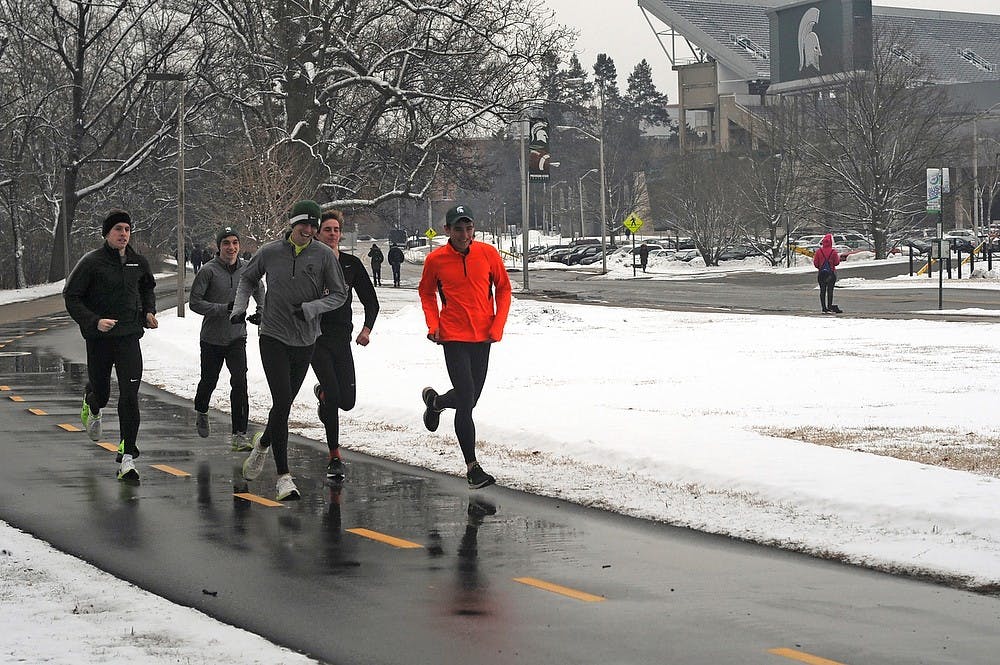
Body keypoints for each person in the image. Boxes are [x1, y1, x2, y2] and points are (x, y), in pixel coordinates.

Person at [229, 200, 348, 501]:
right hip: (273, 335)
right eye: (304, 224)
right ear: (292, 224)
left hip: (306, 339)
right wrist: (240, 308)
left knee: (283, 406)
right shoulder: (270, 252)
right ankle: (283, 477)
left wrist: (310, 308)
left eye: (313, 225)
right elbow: (247, 278)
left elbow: (339, 295)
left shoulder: (323, 255)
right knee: (282, 400)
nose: (309, 230)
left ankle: (263, 444)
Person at [418, 204, 511, 489]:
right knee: (467, 398)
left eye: (468, 228)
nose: (464, 234)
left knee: (470, 399)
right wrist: (433, 325)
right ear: (447, 230)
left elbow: (504, 289)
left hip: (483, 336)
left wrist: (497, 325)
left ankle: (436, 402)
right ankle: (472, 468)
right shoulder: (436, 259)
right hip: (453, 336)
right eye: (458, 229)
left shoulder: (488, 254)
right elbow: (426, 292)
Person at [63, 209, 158, 484]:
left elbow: (147, 289)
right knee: (103, 393)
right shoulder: (91, 262)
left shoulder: (138, 262)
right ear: (107, 233)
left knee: (130, 396)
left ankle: (128, 457)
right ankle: (92, 403)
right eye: (118, 229)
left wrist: (149, 312)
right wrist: (95, 322)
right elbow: (71, 296)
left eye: (127, 229)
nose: (123, 234)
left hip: (129, 337)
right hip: (100, 339)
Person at [311, 210, 380, 480]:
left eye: (336, 230)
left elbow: (371, 301)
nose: (333, 234)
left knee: (347, 402)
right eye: (327, 229)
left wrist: (366, 330)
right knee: (334, 392)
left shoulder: (351, 264)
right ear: (317, 233)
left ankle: (323, 396)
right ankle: (334, 456)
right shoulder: (309, 263)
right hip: (315, 339)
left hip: (341, 339)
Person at [189, 226, 265, 450]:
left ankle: (239, 435)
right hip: (212, 338)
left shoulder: (247, 269)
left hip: (236, 337)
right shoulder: (208, 271)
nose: (231, 247)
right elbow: (195, 303)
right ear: (218, 246)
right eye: (226, 243)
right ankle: (202, 409)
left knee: (240, 382)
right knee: (208, 381)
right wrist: (224, 309)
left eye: (234, 243)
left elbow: (259, 290)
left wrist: (261, 311)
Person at [813, 233, 842, 314]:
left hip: (821, 274)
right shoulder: (833, 252)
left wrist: (821, 267)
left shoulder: (819, 252)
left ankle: (824, 307)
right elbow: (836, 263)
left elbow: (815, 263)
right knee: (830, 290)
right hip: (831, 274)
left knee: (822, 291)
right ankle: (829, 306)